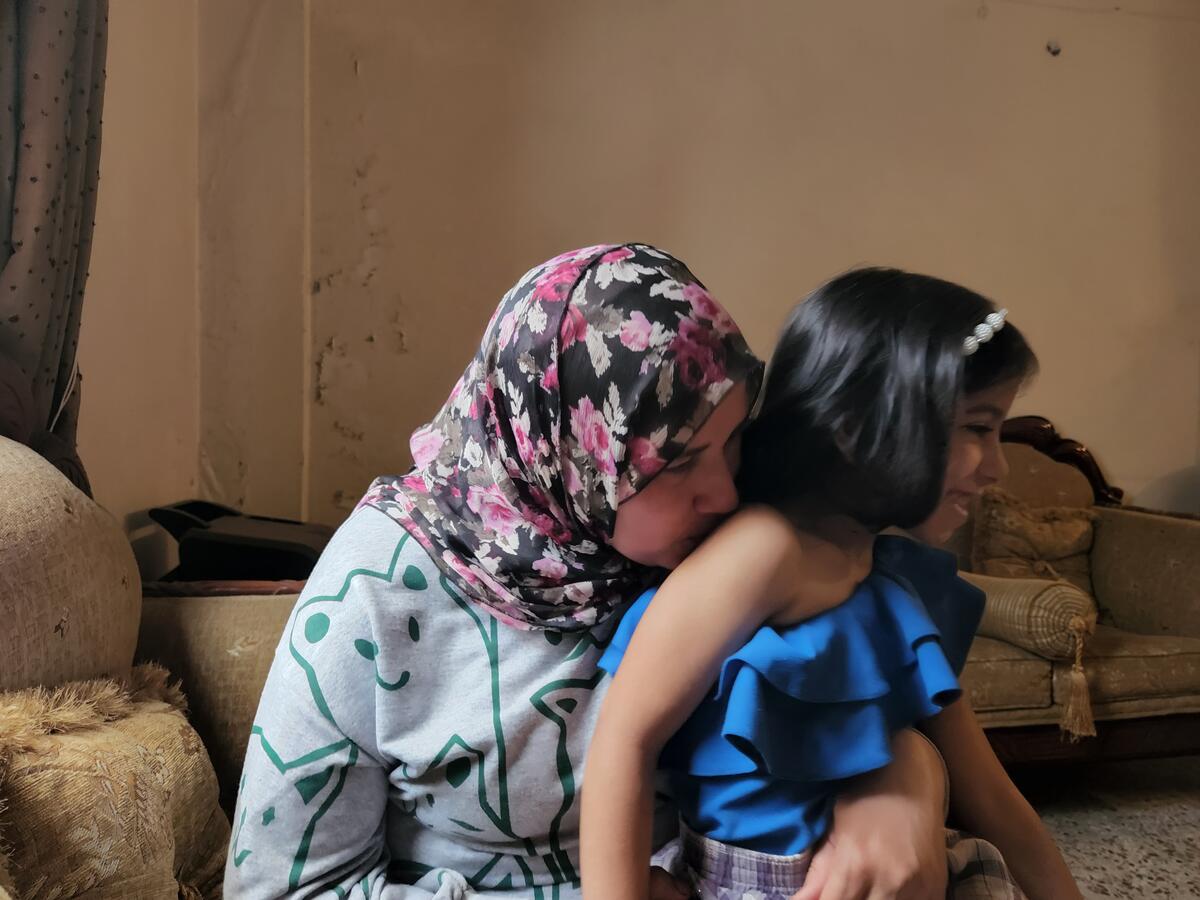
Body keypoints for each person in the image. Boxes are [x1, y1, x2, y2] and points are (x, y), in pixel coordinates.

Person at [225, 247, 962, 899]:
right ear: (571, 458)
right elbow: (282, 886)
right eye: (677, 464)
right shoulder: (374, 591)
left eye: (732, 441)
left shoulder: (728, 544)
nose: (727, 493)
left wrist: (904, 780)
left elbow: (847, 688)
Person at [582, 268, 1082, 900]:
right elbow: (625, 739)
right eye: (979, 428)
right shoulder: (764, 550)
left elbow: (989, 794)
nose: (998, 467)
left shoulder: (890, 577)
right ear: (863, 423)